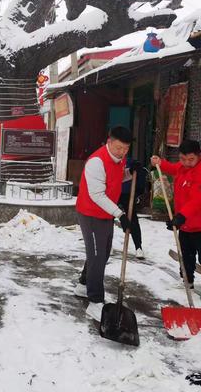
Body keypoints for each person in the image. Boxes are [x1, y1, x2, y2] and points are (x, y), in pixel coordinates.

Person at [74, 126, 140, 321]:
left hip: (105, 214)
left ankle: (84, 285)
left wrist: (129, 172)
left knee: (102, 253)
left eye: (126, 149)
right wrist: (120, 214)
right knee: (97, 255)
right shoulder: (96, 162)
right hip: (91, 213)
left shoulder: (119, 160)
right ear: (109, 142)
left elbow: (116, 178)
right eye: (119, 147)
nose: (122, 152)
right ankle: (95, 301)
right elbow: (97, 195)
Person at [151, 139, 201, 289]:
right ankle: (188, 281)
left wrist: (181, 216)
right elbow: (173, 168)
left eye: (191, 159)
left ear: (199, 156)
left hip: (199, 226)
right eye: (183, 159)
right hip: (185, 225)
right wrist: (160, 162)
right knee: (186, 257)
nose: (186, 163)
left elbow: (197, 199)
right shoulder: (182, 167)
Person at [118, 157, 147, 259]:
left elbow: (140, 182)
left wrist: (136, 194)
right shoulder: (109, 161)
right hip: (113, 194)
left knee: (133, 219)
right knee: (107, 219)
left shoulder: (131, 162)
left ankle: (138, 247)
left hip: (127, 195)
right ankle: (104, 244)